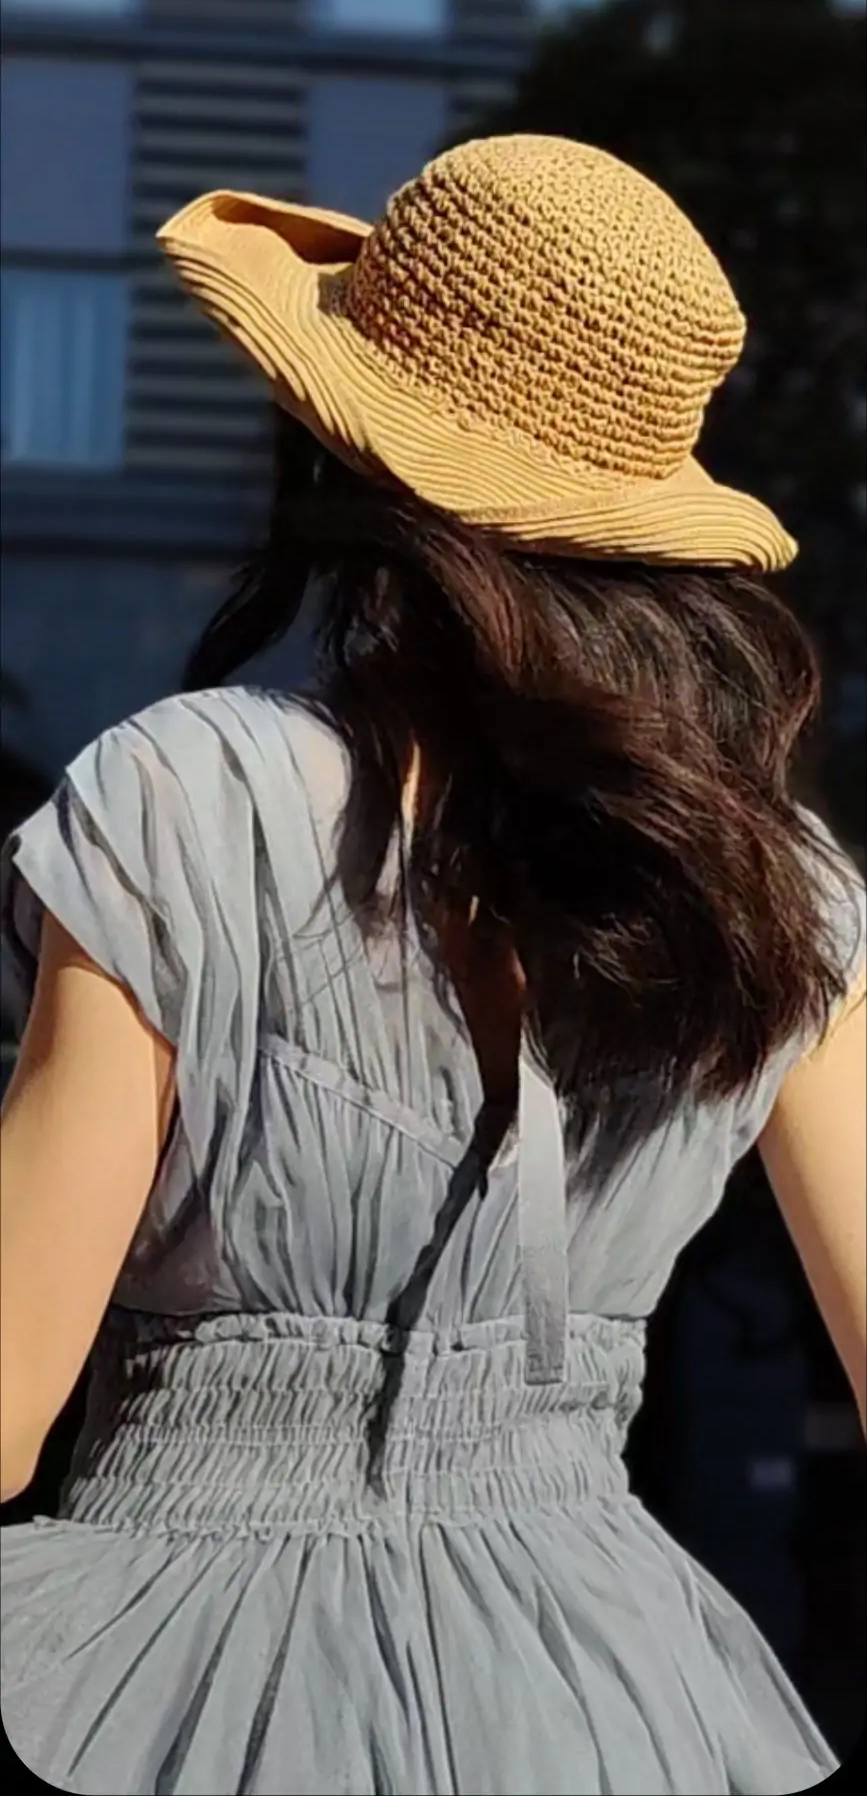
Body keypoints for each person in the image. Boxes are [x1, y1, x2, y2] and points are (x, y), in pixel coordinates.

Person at [1, 135, 864, 1796]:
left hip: (177, 1669)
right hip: (612, 1689)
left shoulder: (178, 794)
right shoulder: (781, 889)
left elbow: (8, 1389)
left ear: (347, 450)